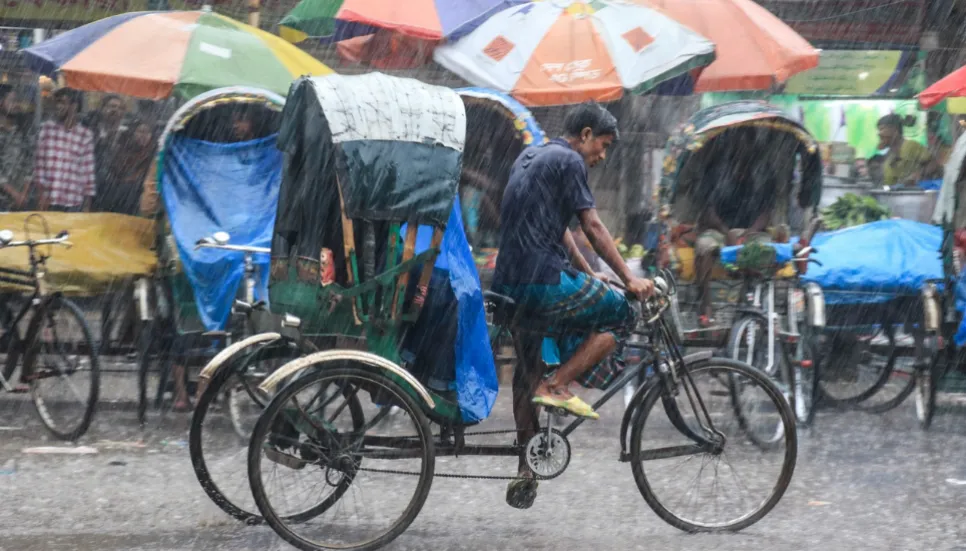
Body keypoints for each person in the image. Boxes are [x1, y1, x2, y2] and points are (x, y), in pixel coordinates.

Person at [491, 102, 653, 505]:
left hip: (509, 282)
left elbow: (560, 229)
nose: (603, 155)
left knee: (525, 373)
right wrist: (630, 279)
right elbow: (591, 225)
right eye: (603, 144)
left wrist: (588, 272)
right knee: (622, 314)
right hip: (542, 280)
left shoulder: (533, 156)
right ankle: (559, 383)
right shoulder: (571, 162)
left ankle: (525, 470)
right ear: (584, 134)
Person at [692, 127, 794, 325]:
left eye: (747, 144)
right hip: (719, 230)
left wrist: (749, 232)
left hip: (753, 231)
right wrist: (726, 232)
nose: (742, 149)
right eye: (738, 144)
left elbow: (766, 211)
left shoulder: (764, 173)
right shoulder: (716, 172)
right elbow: (708, 211)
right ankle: (705, 303)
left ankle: (749, 298)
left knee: (764, 252)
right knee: (703, 248)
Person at [34, 88, 96, 212]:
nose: (58, 106)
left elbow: (87, 173)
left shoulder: (85, 135)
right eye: (56, 102)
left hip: (74, 202)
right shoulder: (46, 130)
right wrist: (41, 196)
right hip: (49, 201)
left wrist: (87, 206)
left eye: (62, 102)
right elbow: (39, 168)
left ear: (74, 106)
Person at [94, 119, 156, 215]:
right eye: (140, 131)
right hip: (116, 199)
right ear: (133, 133)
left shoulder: (153, 154)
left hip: (138, 202)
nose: (143, 135)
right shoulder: (122, 150)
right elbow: (114, 171)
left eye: (147, 132)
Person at [84, 94, 127, 203]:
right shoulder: (91, 132)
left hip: (120, 195)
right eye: (112, 106)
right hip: (93, 191)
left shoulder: (127, 135)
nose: (115, 110)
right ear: (103, 109)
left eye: (119, 108)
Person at [877, 114, 937, 188]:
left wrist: (918, 174)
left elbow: (933, 164)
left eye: (882, 129)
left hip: (916, 193)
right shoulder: (888, 155)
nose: (879, 134)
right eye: (879, 130)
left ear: (894, 129)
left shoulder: (911, 146)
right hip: (895, 196)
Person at [0, 85, 34, 211]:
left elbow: (29, 164)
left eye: (16, 100)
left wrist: (23, 194)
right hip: (2, 202)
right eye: (11, 100)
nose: (15, 104)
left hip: (23, 202)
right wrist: (14, 194)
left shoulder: (23, 130)